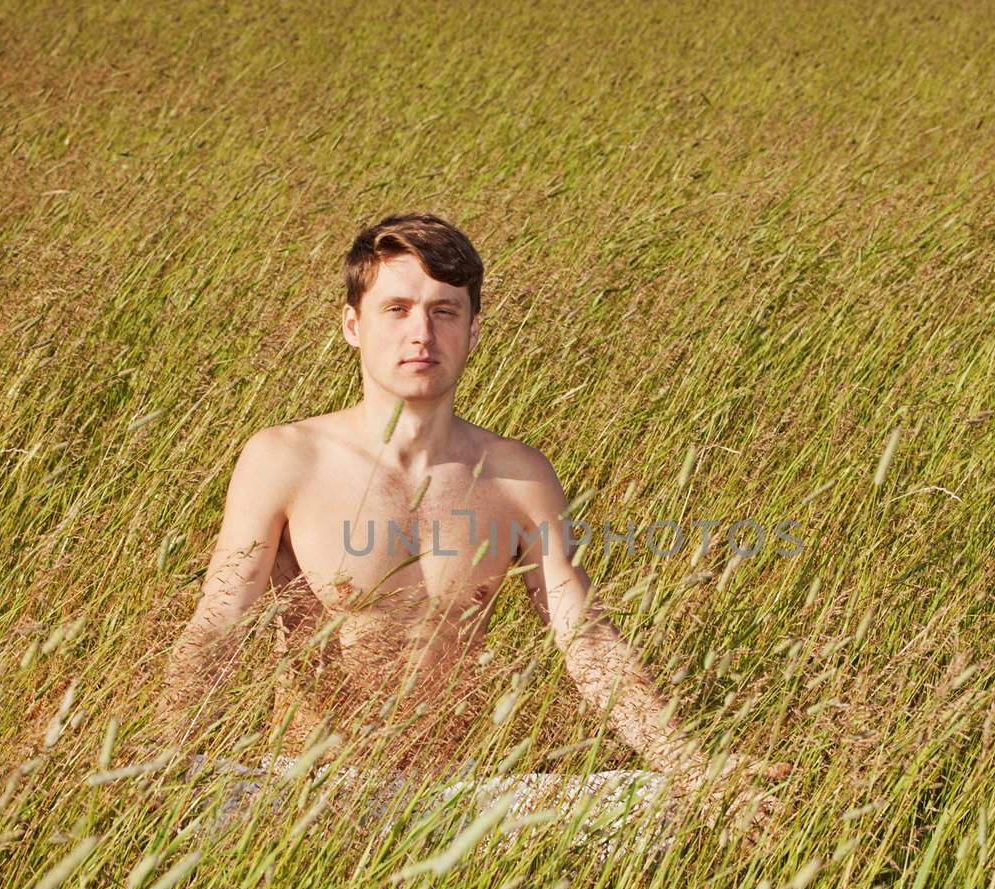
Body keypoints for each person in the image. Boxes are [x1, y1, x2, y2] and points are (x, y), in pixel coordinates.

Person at [150, 212, 790, 843]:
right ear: (353, 325)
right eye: (396, 309)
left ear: (474, 329)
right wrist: (162, 752)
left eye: (444, 311)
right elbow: (220, 619)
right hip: (313, 792)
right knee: (189, 801)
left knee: (675, 805)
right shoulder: (287, 458)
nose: (420, 333)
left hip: (460, 796)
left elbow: (584, 636)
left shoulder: (517, 476)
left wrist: (694, 768)